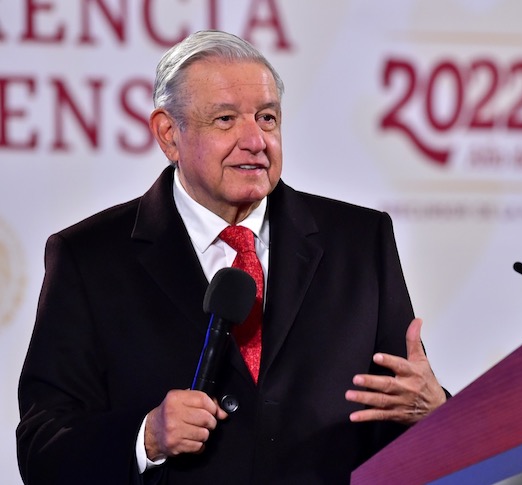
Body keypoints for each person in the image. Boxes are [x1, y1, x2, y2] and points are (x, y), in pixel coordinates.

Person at [16, 30, 447, 485]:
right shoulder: (90, 257)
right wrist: (147, 437)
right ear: (169, 134)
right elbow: (44, 446)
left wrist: (436, 412)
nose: (255, 140)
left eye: (267, 118)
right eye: (225, 119)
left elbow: (401, 406)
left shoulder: (359, 241)